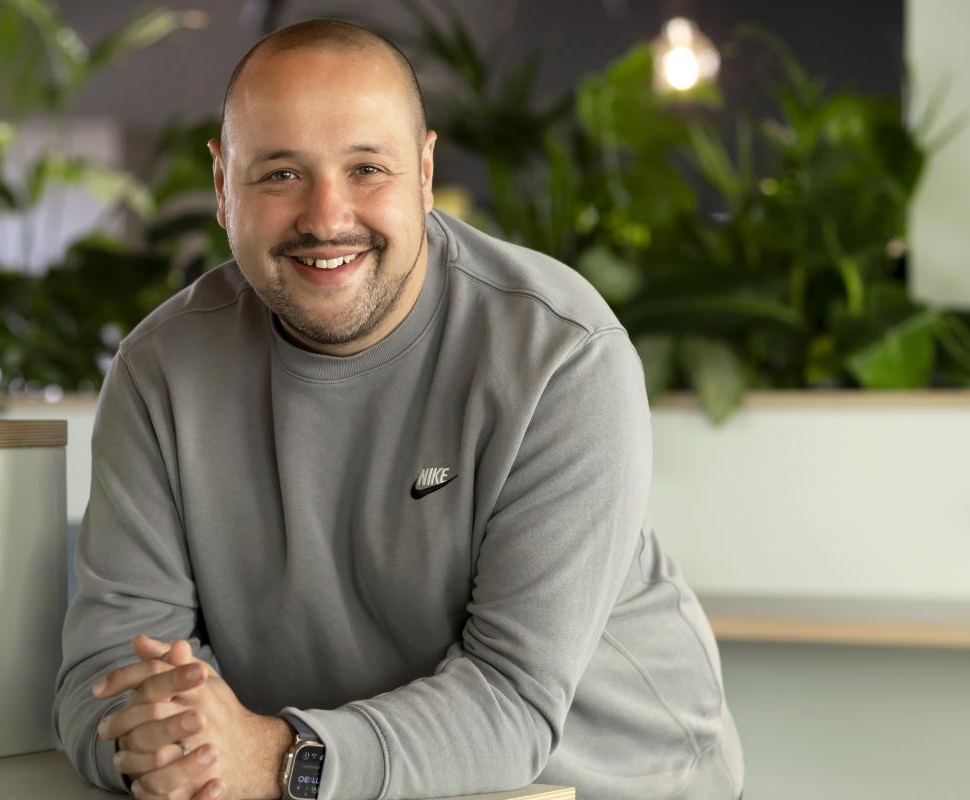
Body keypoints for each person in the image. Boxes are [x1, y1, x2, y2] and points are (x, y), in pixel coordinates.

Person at [55, 17, 745, 800]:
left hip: (611, 785)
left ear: (423, 171)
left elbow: (510, 701)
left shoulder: (561, 354)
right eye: (280, 174)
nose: (326, 216)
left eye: (367, 169)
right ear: (222, 186)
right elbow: (106, 673)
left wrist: (283, 759)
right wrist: (169, 743)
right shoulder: (160, 375)